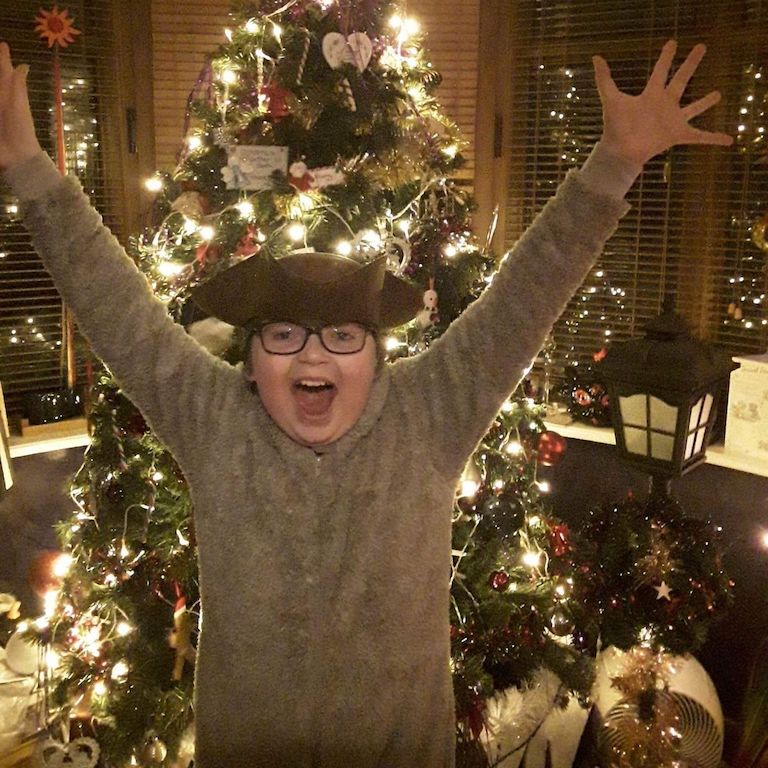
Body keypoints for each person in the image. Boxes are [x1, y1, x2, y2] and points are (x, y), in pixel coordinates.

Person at [0, 38, 731, 768]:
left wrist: (614, 162)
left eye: (343, 335)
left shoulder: (429, 412)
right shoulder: (216, 421)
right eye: (284, 334)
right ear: (250, 362)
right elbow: (118, 310)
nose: (313, 356)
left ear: (378, 356)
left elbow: (526, 294)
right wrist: (31, 168)